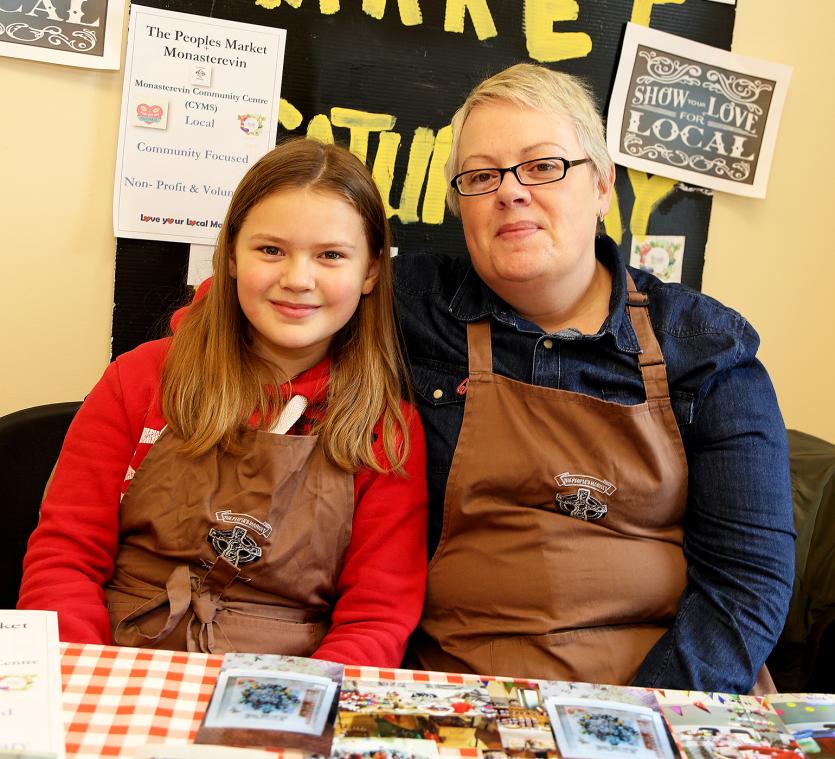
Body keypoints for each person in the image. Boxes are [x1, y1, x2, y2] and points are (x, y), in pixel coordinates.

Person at [393, 63, 795, 692]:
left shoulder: (706, 350)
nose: (511, 191)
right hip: (455, 695)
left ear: (603, 184)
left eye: (544, 165)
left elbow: (746, 587)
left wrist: (630, 724)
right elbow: (271, 292)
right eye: (480, 176)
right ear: (461, 207)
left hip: (670, 696)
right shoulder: (410, 309)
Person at [18, 139, 428, 666]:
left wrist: (296, 707)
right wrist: (80, 676)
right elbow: (64, 558)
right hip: (119, 655)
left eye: (330, 255)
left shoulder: (385, 428)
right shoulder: (139, 379)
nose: (297, 279)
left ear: (370, 272)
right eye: (271, 250)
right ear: (232, 255)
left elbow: (376, 616)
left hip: (288, 681)